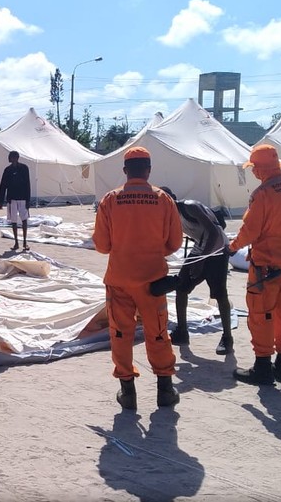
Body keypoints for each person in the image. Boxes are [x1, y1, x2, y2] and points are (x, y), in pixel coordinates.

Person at [92, 146, 183, 410]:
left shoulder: (110, 200)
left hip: (119, 279)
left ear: (125, 171)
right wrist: (153, 253)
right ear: (148, 170)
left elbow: (102, 246)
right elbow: (175, 242)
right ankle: (165, 391)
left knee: (120, 333)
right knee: (157, 333)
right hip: (153, 281)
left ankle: (127, 393)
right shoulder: (163, 199)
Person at [228, 144, 281, 385]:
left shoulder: (263, 194)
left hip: (266, 266)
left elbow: (251, 230)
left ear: (259, 169)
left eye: (254, 168)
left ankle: (263, 367)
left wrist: (232, 247)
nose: (253, 172)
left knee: (261, 314)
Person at [159, 187, 234, 356]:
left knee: (220, 294)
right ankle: (182, 332)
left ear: (172, 199)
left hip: (217, 251)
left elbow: (214, 232)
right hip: (201, 249)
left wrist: (201, 260)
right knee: (181, 287)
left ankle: (227, 338)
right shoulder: (169, 217)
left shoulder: (190, 206)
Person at [0, 150, 31, 251]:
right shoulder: (7, 170)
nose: (11, 159)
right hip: (12, 198)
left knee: (24, 219)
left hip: (22, 197)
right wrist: (1, 200)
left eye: (12, 157)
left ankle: (25, 242)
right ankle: (16, 242)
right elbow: (3, 185)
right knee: (13, 220)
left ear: (16, 157)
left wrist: (28, 200)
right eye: (10, 157)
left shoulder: (24, 168)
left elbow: (27, 184)